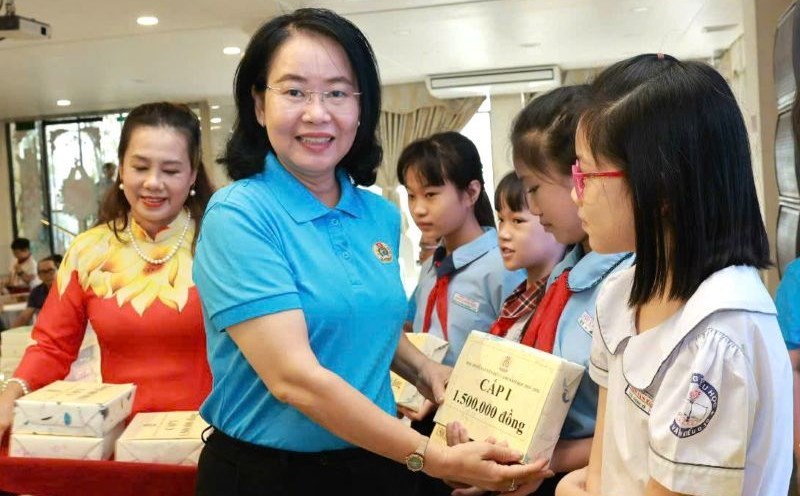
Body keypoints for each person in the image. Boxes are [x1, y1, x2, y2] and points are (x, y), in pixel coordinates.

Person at [191, 8, 547, 496]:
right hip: (270, 475)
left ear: (361, 107)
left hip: (381, 461)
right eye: (294, 91)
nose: (317, 113)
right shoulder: (240, 215)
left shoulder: (378, 214)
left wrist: (425, 371)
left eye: (337, 92)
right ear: (258, 104)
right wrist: (435, 457)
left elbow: (361, 322)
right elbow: (294, 378)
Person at [557, 54, 792, 496]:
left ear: (660, 188)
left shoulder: (719, 333)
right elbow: (604, 465)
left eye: (586, 174)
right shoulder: (620, 291)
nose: (575, 193)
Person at [446, 87, 633, 496]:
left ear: (582, 174)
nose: (533, 203)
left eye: (533, 188)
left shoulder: (632, 282)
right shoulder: (567, 271)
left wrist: (533, 462)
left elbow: (632, 432)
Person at [0, 101, 214, 438]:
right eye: (140, 167)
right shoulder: (89, 251)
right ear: (121, 172)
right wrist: (11, 394)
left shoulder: (222, 243)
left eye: (171, 170)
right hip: (119, 439)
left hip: (212, 438)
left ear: (192, 175)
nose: (153, 183)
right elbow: (52, 346)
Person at [397, 131, 526, 496]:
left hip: (475, 424)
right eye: (411, 195)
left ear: (470, 193)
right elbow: (410, 323)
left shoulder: (504, 264)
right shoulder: (433, 264)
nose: (418, 208)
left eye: (431, 195)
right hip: (422, 418)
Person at [9, 255, 61, 328]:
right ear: (39, 276)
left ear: (58, 270)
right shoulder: (37, 292)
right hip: (48, 331)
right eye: (43, 272)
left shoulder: (69, 289)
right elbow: (24, 317)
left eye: (51, 270)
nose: (47, 275)